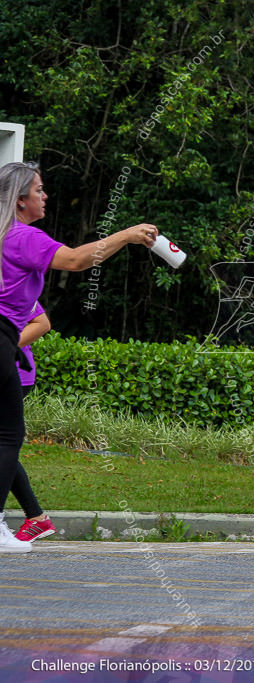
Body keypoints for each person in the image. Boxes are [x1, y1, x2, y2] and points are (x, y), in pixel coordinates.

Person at [0, 161, 158, 552]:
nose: (45, 195)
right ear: (20, 200)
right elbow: (75, 261)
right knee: (7, 436)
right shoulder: (22, 236)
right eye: (39, 190)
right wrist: (127, 235)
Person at [9, 304, 58, 541]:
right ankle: (36, 518)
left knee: (3, 448)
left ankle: (37, 518)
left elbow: (42, 324)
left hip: (12, 373)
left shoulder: (8, 280)